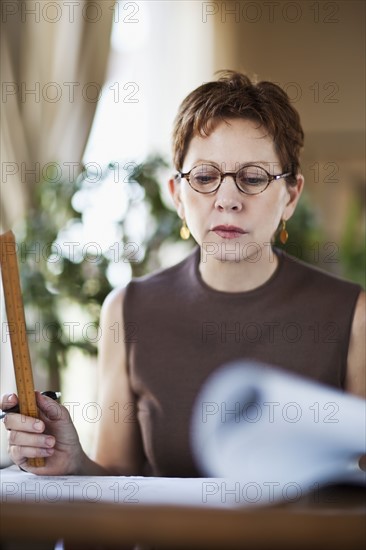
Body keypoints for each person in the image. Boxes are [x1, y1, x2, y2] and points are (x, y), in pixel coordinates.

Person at [2, 71, 365, 477]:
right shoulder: (126, 310)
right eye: (206, 178)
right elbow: (117, 488)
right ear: (177, 194)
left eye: (253, 178)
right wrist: (74, 462)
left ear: (291, 196)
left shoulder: (354, 314)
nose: (227, 200)